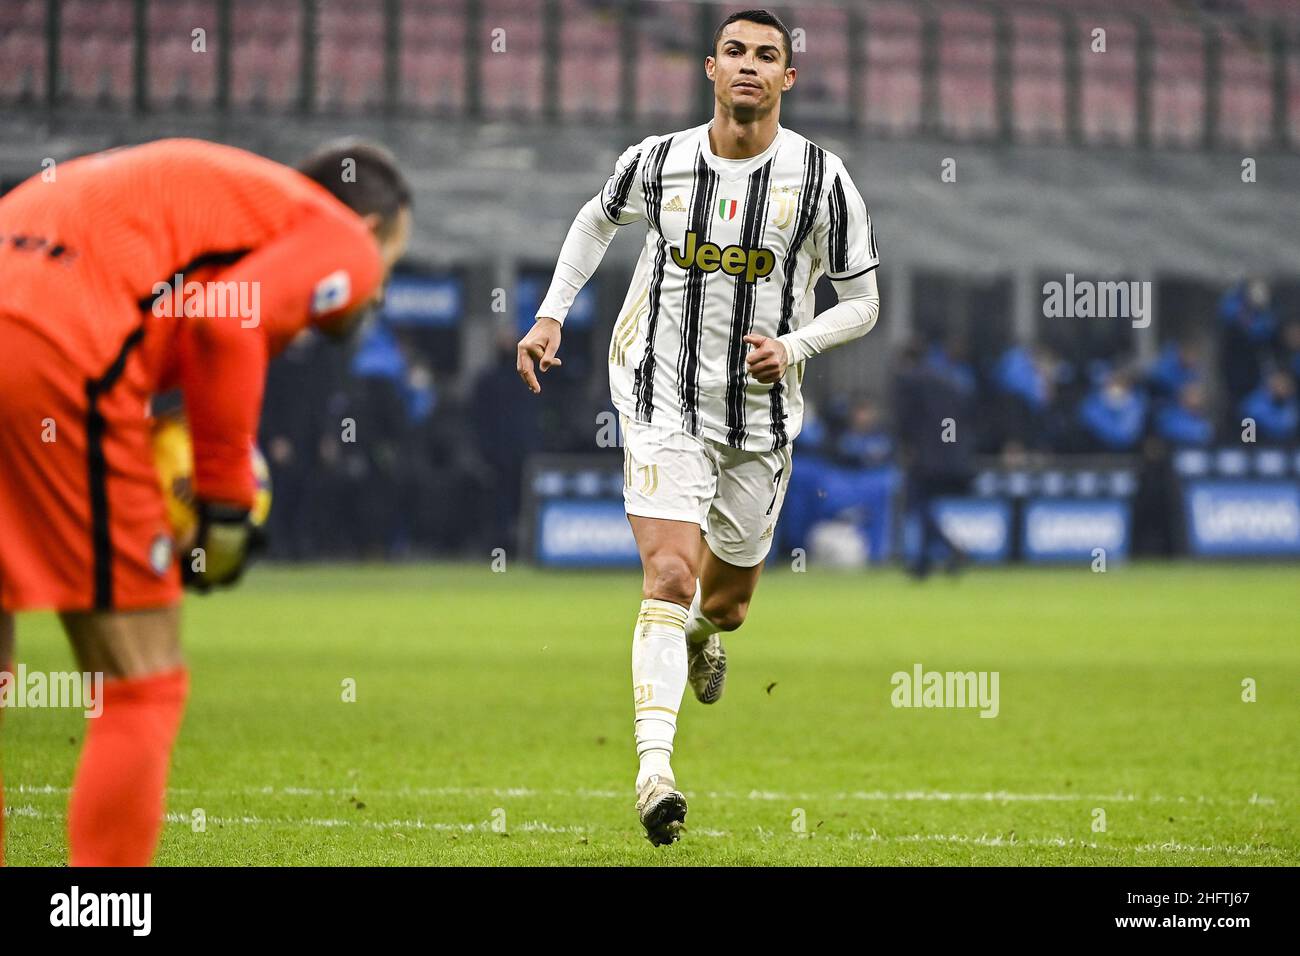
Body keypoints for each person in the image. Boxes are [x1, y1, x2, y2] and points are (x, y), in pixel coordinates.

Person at [516, 9, 880, 844]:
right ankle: (654, 774)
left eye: (767, 56)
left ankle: (701, 640)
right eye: (735, 52)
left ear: (788, 78)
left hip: (759, 419)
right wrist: (549, 317)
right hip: (659, 394)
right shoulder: (660, 161)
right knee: (671, 577)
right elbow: (593, 220)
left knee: (727, 605)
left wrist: (793, 344)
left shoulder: (823, 180)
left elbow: (863, 303)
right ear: (709, 68)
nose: (749, 66)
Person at [0, 137, 411, 866]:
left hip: (26, 296)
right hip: (52, 349)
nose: (374, 292)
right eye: (391, 267)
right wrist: (223, 509)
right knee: (140, 680)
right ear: (373, 230)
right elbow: (229, 324)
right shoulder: (337, 234)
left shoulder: (225, 202)